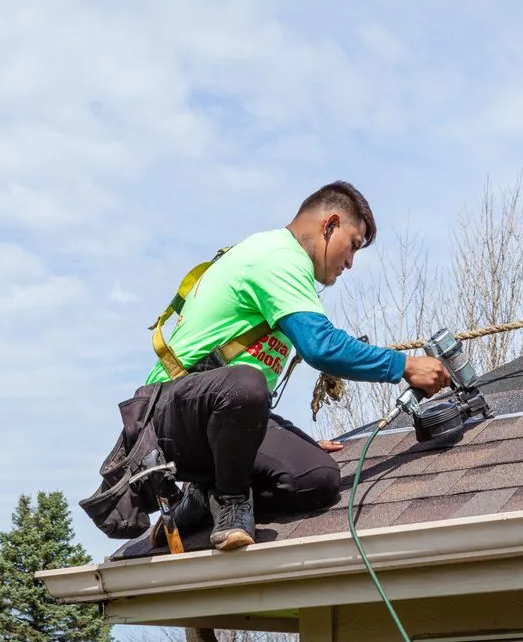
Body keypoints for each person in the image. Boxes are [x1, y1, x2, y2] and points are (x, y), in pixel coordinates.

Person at [145, 181, 450, 551]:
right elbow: (321, 346)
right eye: (353, 245)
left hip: (212, 412)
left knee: (317, 477)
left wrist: (280, 443)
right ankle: (227, 500)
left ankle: (200, 500)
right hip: (170, 413)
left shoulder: (277, 259)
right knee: (248, 384)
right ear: (330, 224)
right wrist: (405, 365)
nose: (350, 263)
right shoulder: (279, 256)